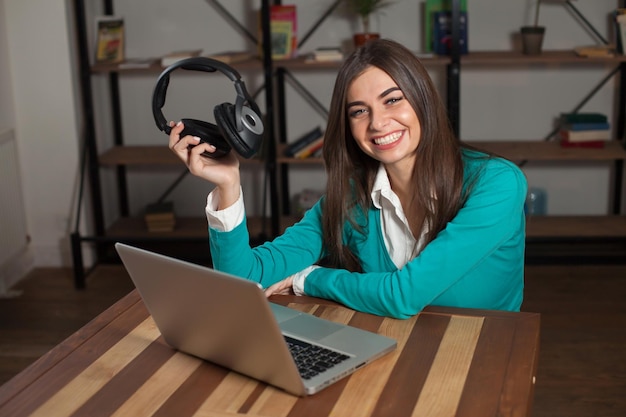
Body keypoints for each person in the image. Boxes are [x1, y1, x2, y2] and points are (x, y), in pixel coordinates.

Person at [168, 39, 527, 319]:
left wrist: (305, 279)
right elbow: (245, 279)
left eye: (393, 100)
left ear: (423, 100)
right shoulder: (350, 198)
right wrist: (228, 184)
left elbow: (405, 296)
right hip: (391, 347)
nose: (377, 123)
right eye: (359, 111)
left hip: (479, 356)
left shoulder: (497, 184)